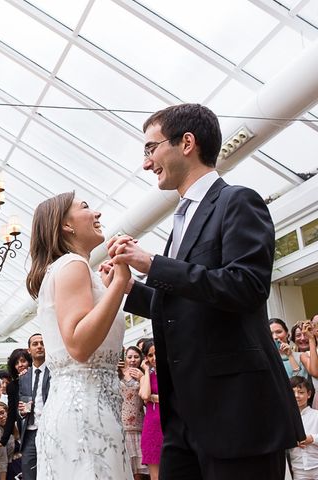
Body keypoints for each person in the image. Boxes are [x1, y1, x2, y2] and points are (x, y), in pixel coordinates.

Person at [106, 103, 304, 479]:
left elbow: (246, 286)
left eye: (150, 148)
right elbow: (184, 305)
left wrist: (153, 264)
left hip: (238, 414)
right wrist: (131, 286)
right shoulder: (181, 220)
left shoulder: (238, 202)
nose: (147, 163)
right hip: (184, 419)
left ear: (187, 143)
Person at [25, 192, 131, 479]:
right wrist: (120, 284)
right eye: (85, 207)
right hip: (85, 416)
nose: (96, 214)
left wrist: (112, 290)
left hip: (89, 410)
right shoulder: (73, 265)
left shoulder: (75, 269)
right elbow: (79, 345)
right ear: (66, 226)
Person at [15, 336, 48, 480]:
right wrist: (21, 411)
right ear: (29, 350)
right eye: (35, 344)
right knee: (29, 473)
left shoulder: (55, 372)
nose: (39, 346)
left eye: (42, 343)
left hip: (49, 429)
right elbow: (22, 403)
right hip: (29, 432)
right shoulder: (24, 376)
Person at [119, 346, 149, 480]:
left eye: (136, 357)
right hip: (122, 426)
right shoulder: (118, 372)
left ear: (141, 358)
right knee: (125, 470)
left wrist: (142, 377)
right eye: (129, 357)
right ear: (125, 357)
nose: (132, 360)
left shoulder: (143, 375)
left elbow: (146, 397)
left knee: (139, 473)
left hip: (139, 426)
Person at [138, 341, 161, 480]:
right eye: (150, 355)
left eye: (156, 353)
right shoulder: (146, 377)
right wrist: (146, 371)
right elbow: (145, 395)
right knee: (155, 476)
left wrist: (153, 398)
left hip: (170, 425)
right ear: (146, 358)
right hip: (152, 428)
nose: (154, 358)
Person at [289, 376, 318, 480]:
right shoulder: (287, 419)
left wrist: (312, 439)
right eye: (293, 393)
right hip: (298, 468)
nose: (297, 396)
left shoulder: (316, 415)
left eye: (301, 392)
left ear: (309, 394)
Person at [0, 401, 17, 480]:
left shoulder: (15, 426)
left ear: (8, 412)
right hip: (9, 471)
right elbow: (2, 459)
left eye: (2, 412)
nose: (1, 416)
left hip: (21, 467)